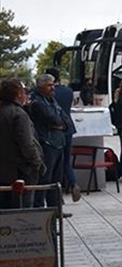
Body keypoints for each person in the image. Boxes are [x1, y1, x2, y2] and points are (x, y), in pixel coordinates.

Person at [0, 79, 45, 209]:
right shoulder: (19, 114)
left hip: (4, 170)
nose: (26, 95)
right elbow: (27, 143)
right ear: (18, 94)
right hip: (21, 170)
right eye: (24, 91)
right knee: (23, 210)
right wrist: (37, 163)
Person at [27, 74, 70, 209]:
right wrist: (58, 124)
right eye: (49, 85)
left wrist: (60, 125)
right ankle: (40, 209)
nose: (53, 88)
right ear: (41, 87)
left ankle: (56, 208)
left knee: (56, 179)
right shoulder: (37, 103)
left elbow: (66, 121)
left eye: (53, 84)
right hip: (46, 144)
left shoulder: (52, 101)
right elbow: (54, 119)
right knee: (45, 179)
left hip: (58, 144)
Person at [46, 68, 81, 202]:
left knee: (56, 165)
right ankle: (73, 183)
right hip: (68, 128)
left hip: (55, 131)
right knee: (66, 160)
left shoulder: (49, 94)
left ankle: (58, 195)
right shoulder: (68, 91)